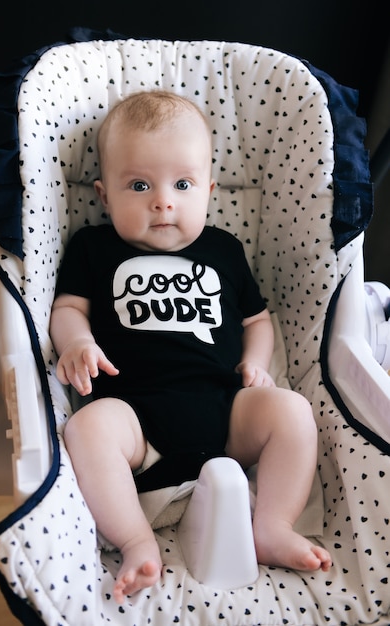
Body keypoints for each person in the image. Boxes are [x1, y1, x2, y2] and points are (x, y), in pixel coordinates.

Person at [49, 90, 332, 604]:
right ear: (104, 195)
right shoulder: (94, 248)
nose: (163, 200)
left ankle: (272, 524)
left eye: (182, 184)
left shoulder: (224, 249)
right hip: (136, 421)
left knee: (291, 411)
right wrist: (78, 342)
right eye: (139, 185)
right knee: (86, 429)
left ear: (208, 189)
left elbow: (259, 320)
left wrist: (255, 363)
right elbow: (68, 308)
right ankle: (136, 541)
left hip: (226, 413)